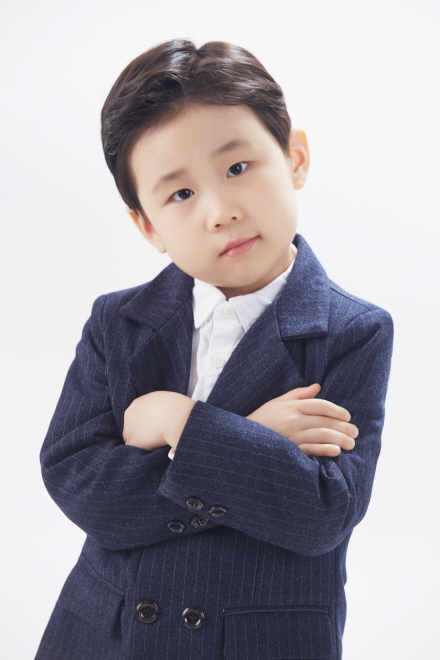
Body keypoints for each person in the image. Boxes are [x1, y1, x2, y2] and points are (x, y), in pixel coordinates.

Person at [34, 38, 394, 660]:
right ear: (147, 225)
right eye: (180, 194)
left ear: (295, 158)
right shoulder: (118, 321)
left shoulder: (352, 331)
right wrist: (255, 441)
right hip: (107, 636)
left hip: (260, 642)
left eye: (237, 168)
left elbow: (321, 512)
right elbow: (80, 484)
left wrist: (181, 421)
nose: (221, 212)